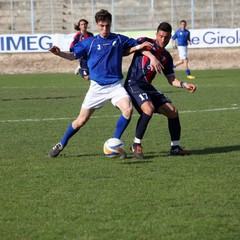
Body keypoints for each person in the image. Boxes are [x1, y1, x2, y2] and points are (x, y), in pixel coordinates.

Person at [48, 9, 161, 158]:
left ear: (110, 24)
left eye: (107, 25)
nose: (105, 29)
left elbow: (136, 47)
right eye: (102, 26)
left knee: (128, 109)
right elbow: (72, 56)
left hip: (115, 86)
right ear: (96, 25)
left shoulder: (118, 39)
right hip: (97, 88)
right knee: (81, 121)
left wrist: (150, 55)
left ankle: (114, 142)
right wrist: (59, 53)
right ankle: (61, 143)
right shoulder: (89, 42)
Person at [124, 22, 196, 159]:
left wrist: (184, 84)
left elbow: (171, 80)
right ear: (156, 34)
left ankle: (175, 148)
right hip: (133, 83)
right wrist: (151, 57)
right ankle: (136, 144)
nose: (163, 40)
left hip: (147, 87)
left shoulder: (167, 57)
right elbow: (131, 49)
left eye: (166, 37)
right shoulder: (146, 42)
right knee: (148, 109)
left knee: (173, 111)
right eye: (161, 36)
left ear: (170, 38)